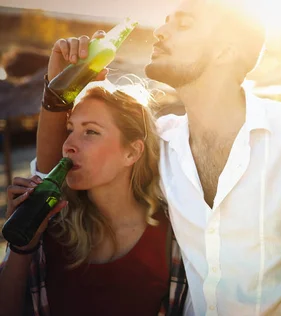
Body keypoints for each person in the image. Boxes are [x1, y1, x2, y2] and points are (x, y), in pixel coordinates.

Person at [34, 0, 281, 314]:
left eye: (183, 24)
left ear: (225, 51)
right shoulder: (162, 144)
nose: (160, 32)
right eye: (166, 21)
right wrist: (57, 87)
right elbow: (52, 175)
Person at [0, 81, 187, 316]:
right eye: (70, 130)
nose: (68, 146)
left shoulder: (176, 234)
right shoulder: (49, 226)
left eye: (90, 132)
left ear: (132, 152)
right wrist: (21, 247)